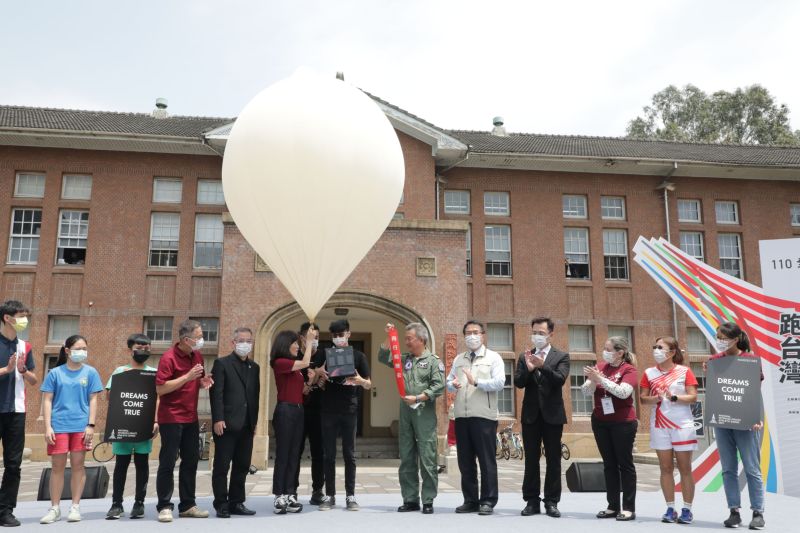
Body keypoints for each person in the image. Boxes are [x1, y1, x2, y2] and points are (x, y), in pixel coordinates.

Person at [378, 322, 445, 514]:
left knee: (427, 457)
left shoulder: (432, 361)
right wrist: (389, 335)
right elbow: (383, 357)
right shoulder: (404, 359)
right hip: (405, 413)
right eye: (405, 338)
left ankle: (428, 499)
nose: (406, 342)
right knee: (406, 457)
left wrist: (419, 397)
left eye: (409, 338)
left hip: (423, 412)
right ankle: (410, 499)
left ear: (421, 339)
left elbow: (439, 386)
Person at [39, 335, 103, 524]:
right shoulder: (55, 373)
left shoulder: (91, 373)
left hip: (81, 427)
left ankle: (75, 507)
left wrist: (91, 425)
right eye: (78, 348)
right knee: (57, 467)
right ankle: (55, 508)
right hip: (58, 426)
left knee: (78, 466)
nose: (82, 352)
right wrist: (48, 426)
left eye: (84, 348)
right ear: (67, 351)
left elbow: (93, 399)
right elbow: (47, 400)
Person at [155, 319, 214, 523]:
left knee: (191, 460)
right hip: (171, 417)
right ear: (186, 339)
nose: (201, 340)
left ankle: (188, 505)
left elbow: (195, 382)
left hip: (191, 417)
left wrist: (201, 382)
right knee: (168, 461)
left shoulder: (196, 355)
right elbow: (160, 388)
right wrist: (187, 377)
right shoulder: (168, 358)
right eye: (198, 336)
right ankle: (164, 506)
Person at [446, 320, 505, 516]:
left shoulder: (493, 357)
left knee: (487, 461)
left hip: (484, 416)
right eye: (468, 333)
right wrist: (452, 384)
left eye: (475, 332)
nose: (471, 336)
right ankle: (470, 500)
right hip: (462, 416)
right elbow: (448, 382)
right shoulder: (458, 359)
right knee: (465, 461)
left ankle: (487, 500)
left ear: (483, 335)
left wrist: (477, 382)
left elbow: (499, 382)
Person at [710, 322, 765, 530]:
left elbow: (753, 392)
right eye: (718, 336)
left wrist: (756, 417)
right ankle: (734, 511)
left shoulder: (750, 360)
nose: (719, 341)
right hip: (722, 421)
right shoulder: (715, 360)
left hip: (746, 422)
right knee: (728, 469)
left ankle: (758, 512)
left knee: (752, 468)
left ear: (735, 339)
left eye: (723, 337)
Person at [514, 317, 570, 518]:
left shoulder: (561, 356)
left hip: (553, 416)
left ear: (550, 334)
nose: (537, 336)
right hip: (530, 416)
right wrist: (529, 369)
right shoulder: (525, 356)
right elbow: (518, 382)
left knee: (553, 459)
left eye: (541, 333)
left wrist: (542, 365)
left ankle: (552, 501)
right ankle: (531, 500)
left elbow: (559, 380)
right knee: (531, 459)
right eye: (534, 332)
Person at [640, 337, 698, 525]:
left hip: (682, 424)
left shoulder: (684, 371)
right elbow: (642, 399)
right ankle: (670, 508)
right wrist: (656, 398)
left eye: (660, 347)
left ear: (672, 352)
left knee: (685, 468)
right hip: (659, 425)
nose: (656, 350)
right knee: (665, 468)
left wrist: (673, 397)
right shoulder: (649, 373)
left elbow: (692, 397)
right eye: (654, 346)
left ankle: (687, 509)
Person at [582, 336, 639, 521]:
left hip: (622, 422)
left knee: (625, 464)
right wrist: (592, 380)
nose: (604, 352)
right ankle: (613, 506)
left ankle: (628, 507)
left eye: (608, 349)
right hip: (600, 421)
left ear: (620, 352)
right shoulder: (600, 366)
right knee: (609, 464)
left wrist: (600, 379)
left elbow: (623, 392)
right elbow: (585, 391)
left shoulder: (629, 369)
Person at [318, 319, 371, 511]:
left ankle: (350, 496)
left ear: (348, 334)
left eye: (341, 335)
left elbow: (368, 383)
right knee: (328, 455)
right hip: (328, 410)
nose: (338, 339)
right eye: (334, 336)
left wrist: (360, 380)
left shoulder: (359, 356)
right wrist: (319, 373)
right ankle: (329, 495)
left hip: (349, 410)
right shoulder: (325, 355)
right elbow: (315, 380)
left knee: (350, 454)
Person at [105, 334, 159, 520]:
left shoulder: (153, 372)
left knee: (142, 465)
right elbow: (109, 397)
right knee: (121, 465)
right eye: (139, 346)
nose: (143, 350)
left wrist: (156, 421)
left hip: (144, 426)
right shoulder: (119, 371)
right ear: (130, 349)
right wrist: (125, 382)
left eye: (147, 347)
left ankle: (139, 503)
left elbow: (158, 398)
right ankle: (116, 504)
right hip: (123, 425)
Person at [210, 327, 260, 518]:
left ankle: (236, 502)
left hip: (247, 425)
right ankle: (221, 503)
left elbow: (255, 395)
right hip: (226, 423)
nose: (245, 344)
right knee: (222, 467)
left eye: (249, 340)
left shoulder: (254, 367)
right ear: (233, 343)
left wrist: (254, 422)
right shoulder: (221, 363)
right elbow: (217, 394)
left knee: (242, 466)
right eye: (241, 340)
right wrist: (218, 418)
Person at [0, 300, 38, 527]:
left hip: (16, 411)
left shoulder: (25, 346)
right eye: (20, 316)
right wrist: (6, 369)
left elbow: (34, 380)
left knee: (13, 464)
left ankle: (6, 510)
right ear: (7, 317)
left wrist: (24, 371)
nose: (24, 320)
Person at [270, 328, 315, 514]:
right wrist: (310, 341)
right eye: (295, 343)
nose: (297, 346)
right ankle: (279, 495)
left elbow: (302, 392)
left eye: (298, 343)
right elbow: (305, 361)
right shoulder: (280, 362)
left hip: (298, 410)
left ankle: (290, 493)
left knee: (295, 455)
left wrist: (311, 382)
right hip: (285, 410)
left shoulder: (295, 369)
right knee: (283, 454)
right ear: (285, 345)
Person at [292, 322, 326, 506]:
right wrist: (315, 378)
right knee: (295, 452)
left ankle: (318, 490)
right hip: (298, 411)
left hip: (319, 411)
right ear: (302, 338)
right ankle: (292, 490)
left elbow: (327, 384)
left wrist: (321, 377)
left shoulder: (324, 355)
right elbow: (299, 389)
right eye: (312, 337)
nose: (315, 341)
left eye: (318, 337)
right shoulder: (295, 356)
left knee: (318, 452)